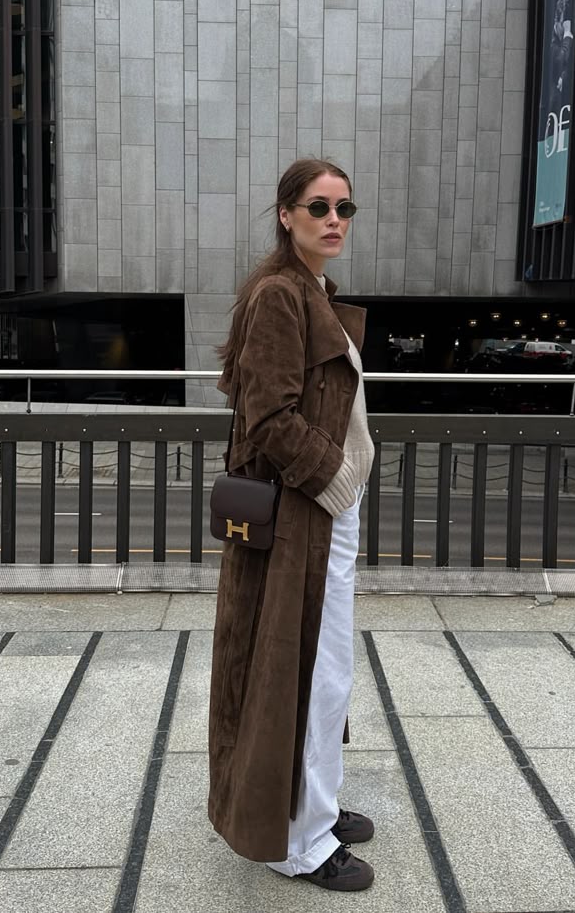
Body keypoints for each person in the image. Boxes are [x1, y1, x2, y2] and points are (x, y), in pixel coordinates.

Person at [208, 158, 376, 892]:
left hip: (326, 514)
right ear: (286, 215)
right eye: (318, 207)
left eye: (344, 208)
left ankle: (316, 806)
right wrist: (336, 479)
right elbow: (266, 417)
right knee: (301, 674)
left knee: (325, 676)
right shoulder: (280, 295)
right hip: (307, 513)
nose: (333, 219)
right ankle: (294, 844)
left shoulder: (313, 290)